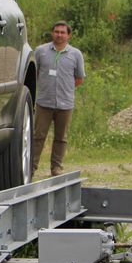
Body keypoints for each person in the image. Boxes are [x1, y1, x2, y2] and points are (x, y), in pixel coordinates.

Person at [32, 21, 85, 176]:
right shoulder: (40, 51)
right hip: (44, 103)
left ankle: (56, 168)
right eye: (56, 31)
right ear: (52, 33)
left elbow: (79, 78)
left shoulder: (75, 54)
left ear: (68, 35)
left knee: (61, 138)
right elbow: (34, 73)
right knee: (38, 137)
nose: (59, 35)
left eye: (63, 32)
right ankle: (31, 167)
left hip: (65, 104)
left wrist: (65, 89)